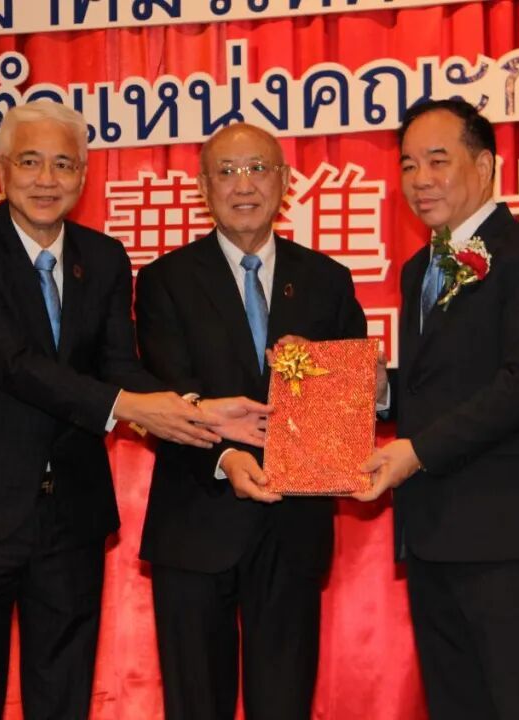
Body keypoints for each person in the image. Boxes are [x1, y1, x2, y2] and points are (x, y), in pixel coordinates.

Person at [0, 101, 268, 720]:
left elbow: (118, 365)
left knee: (65, 692)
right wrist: (127, 405)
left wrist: (198, 413)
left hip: (72, 511)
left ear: (83, 175)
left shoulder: (102, 258)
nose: (46, 179)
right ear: (1, 170)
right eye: (30, 162)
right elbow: (12, 362)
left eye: (64, 164)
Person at [356, 98, 519, 719]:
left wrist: (416, 452)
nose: (420, 179)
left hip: (507, 533)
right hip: (432, 534)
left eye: (438, 161)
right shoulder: (419, 269)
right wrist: (380, 393)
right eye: (408, 165)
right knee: (456, 704)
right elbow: (443, 386)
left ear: (484, 166)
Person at [133, 122, 371, 720]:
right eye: (228, 172)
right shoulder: (165, 280)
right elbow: (165, 394)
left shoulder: (327, 280)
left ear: (285, 182)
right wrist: (226, 457)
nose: (245, 186)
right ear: (203, 187)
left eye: (259, 169)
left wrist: (324, 377)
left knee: (284, 704)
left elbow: (351, 401)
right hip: (195, 522)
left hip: (293, 528)